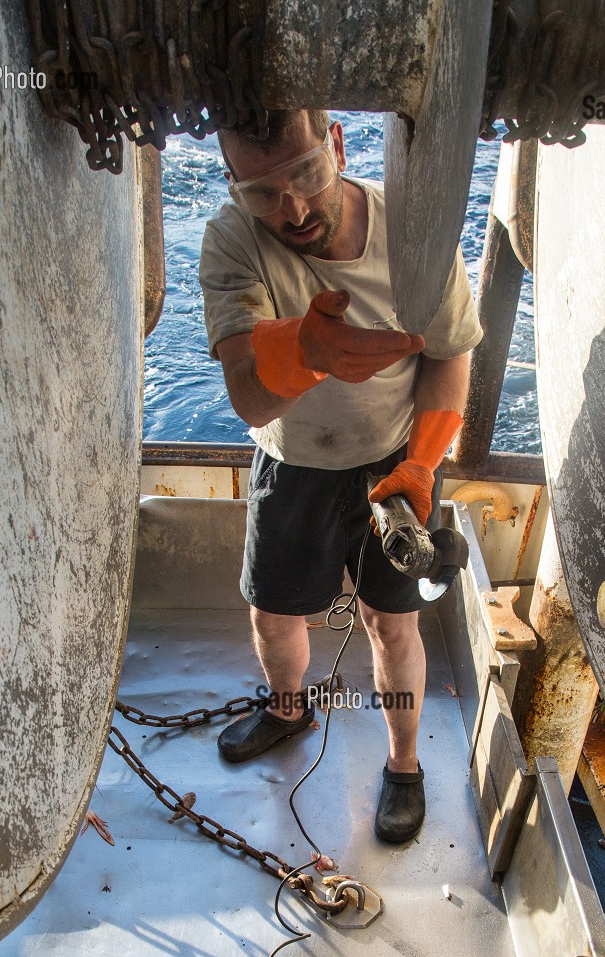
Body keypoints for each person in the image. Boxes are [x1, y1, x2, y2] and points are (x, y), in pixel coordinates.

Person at [199, 109, 482, 843]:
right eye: (261, 192)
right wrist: (305, 350)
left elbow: (449, 353)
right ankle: (288, 708)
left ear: (337, 144)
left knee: (391, 623)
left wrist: (424, 460)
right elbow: (248, 393)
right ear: (232, 186)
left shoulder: (413, 232)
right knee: (272, 611)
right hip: (292, 463)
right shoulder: (231, 240)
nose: (289, 209)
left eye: (304, 175)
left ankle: (404, 765)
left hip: (397, 460)